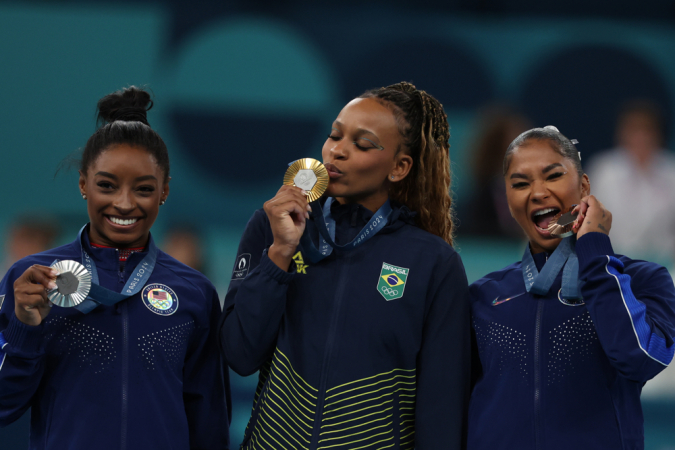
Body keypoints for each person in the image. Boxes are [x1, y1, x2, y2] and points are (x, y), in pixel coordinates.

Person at [220, 82, 470, 449]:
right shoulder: (273, 227)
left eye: (363, 144)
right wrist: (279, 255)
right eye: (335, 136)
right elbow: (240, 354)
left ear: (399, 167)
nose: (337, 151)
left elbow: (442, 412)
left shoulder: (433, 262)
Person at [0, 87, 230, 449]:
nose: (124, 204)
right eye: (107, 186)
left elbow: (208, 420)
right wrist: (25, 328)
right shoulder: (30, 280)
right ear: (83, 184)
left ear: (164, 192)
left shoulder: (195, 291)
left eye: (143, 189)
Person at [468, 126, 675, 450]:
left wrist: (595, 250)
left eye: (552, 176)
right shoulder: (484, 294)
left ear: (584, 186)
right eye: (520, 183)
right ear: (508, 199)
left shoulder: (643, 279)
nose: (537, 192)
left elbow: (640, 358)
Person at [587, 100, 675, 266]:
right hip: (612, 264)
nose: (640, 137)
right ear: (621, 133)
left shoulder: (671, 171)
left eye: (646, 130)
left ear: (658, 134)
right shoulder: (604, 170)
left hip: (667, 267)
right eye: (633, 130)